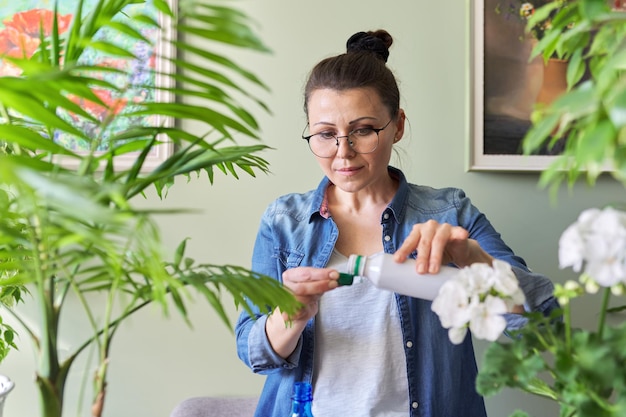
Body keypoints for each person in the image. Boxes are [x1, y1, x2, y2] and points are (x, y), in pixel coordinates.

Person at [235, 29, 558, 417]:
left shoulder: (449, 214)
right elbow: (252, 351)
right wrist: (292, 315)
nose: (343, 153)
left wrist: (476, 262)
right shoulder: (284, 222)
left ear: (398, 125)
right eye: (325, 134)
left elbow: (543, 329)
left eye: (363, 130)